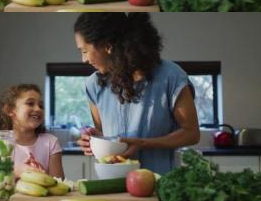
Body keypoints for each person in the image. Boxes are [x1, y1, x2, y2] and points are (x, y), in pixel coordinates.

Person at [74, 13, 200, 174]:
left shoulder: (171, 76)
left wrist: (143, 143)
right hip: (113, 182)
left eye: (84, 51)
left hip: (159, 182)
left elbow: (191, 133)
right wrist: (93, 140)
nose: (83, 59)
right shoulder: (93, 85)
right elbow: (105, 135)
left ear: (107, 46)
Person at [0, 84, 64, 184]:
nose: (38, 109)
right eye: (30, 103)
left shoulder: (51, 142)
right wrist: (18, 171)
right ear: (10, 110)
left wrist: (41, 175)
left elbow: (59, 184)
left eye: (41, 106)